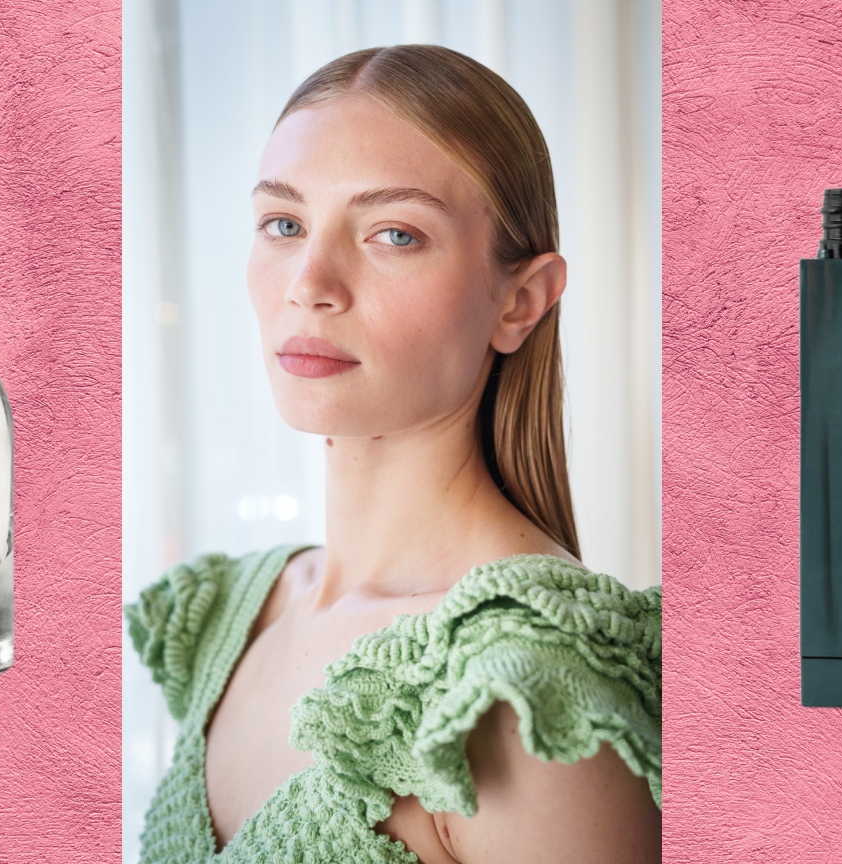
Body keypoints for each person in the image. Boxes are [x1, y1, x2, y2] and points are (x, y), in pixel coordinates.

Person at [126, 44, 662, 864]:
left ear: (520, 302)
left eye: (394, 234)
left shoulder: (525, 699)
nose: (311, 280)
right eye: (283, 223)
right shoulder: (238, 614)